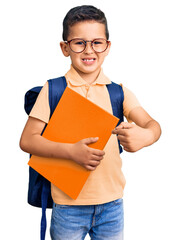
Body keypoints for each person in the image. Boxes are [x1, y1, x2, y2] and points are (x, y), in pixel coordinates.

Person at [19, 5, 161, 240]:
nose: (89, 50)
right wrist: (71, 152)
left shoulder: (118, 92)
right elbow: (27, 140)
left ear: (107, 46)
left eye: (97, 42)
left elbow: (153, 125)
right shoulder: (53, 90)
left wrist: (147, 136)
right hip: (67, 206)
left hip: (113, 205)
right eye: (79, 42)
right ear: (65, 47)